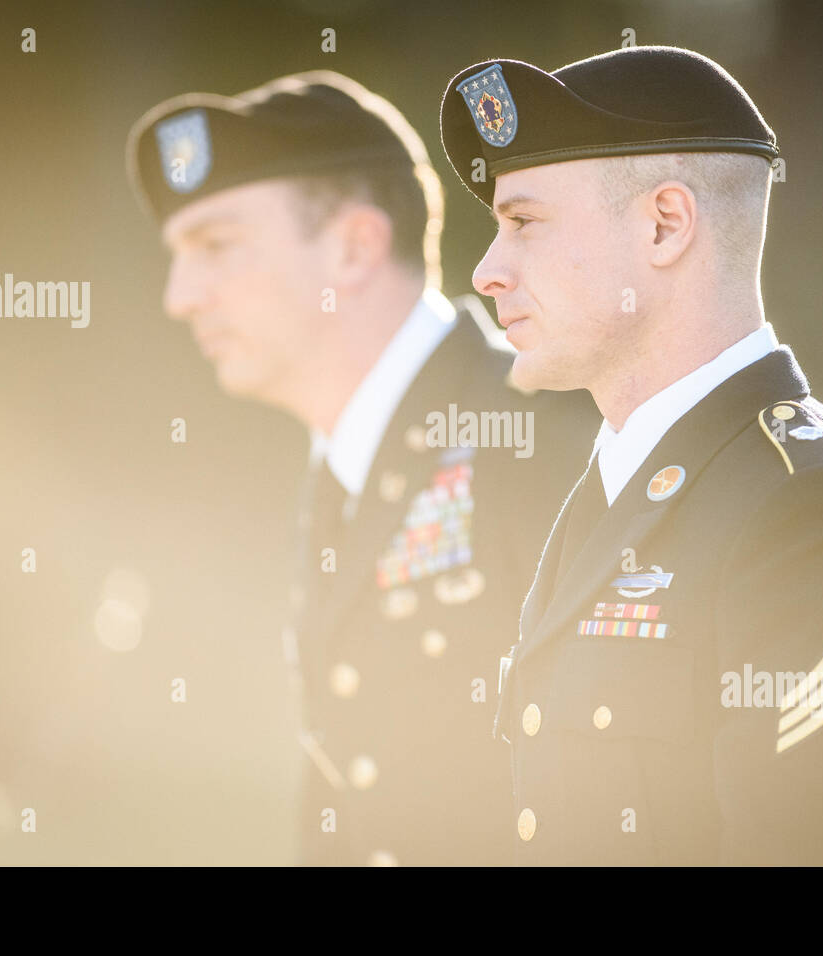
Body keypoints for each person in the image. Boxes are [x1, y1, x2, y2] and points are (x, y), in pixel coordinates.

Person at [438, 45, 823, 864]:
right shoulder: (614, 497)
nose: (487, 270)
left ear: (665, 225)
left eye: (524, 222)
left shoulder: (817, 519)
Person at [127, 70, 596, 865]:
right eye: (177, 255)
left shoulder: (535, 437)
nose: (179, 295)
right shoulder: (340, 469)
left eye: (216, 247)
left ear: (354, 246)